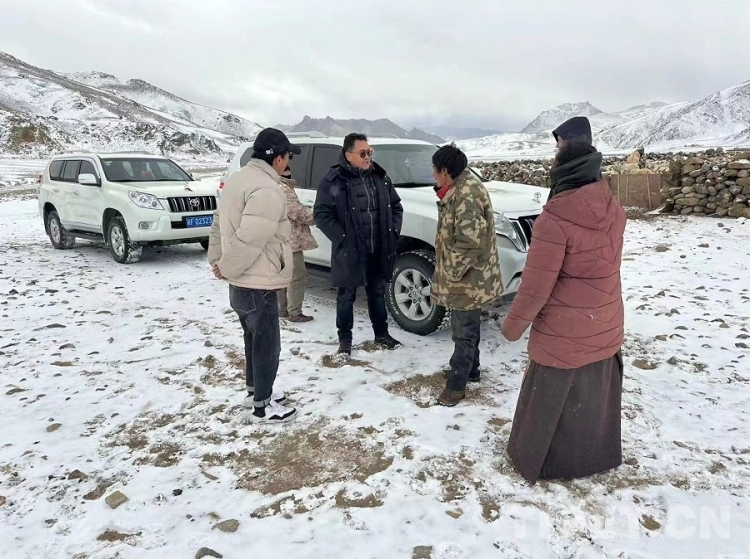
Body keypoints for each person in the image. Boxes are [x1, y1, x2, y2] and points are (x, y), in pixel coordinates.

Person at [501, 140, 627, 483]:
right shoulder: (614, 208)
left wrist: (512, 328)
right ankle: (596, 456)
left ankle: (544, 463)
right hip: (605, 319)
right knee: (593, 397)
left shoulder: (554, 219)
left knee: (550, 399)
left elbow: (535, 287)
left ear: (563, 170)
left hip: (563, 330)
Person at [207, 127, 301, 423]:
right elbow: (251, 238)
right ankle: (263, 406)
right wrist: (227, 266)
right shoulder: (267, 189)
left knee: (253, 341)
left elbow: (218, 222)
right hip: (258, 281)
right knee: (267, 345)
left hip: (242, 282)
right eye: (287, 157)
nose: (288, 163)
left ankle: (255, 392)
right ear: (278, 158)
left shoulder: (238, 179)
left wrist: (218, 260)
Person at [313, 133, 404, 356]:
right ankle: (345, 341)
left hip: (377, 249)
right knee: (346, 297)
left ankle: (381, 334)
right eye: (362, 153)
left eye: (369, 152)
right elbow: (321, 213)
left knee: (377, 294)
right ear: (348, 155)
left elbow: (396, 206)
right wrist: (343, 238)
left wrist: (392, 232)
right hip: (350, 251)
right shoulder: (333, 180)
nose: (367, 157)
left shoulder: (380, 177)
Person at [430, 144, 504, 407]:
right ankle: (471, 370)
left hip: (468, 279)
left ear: (445, 170)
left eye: (434, 169)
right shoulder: (461, 186)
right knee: (469, 327)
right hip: (471, 277)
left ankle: (456, 386)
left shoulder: (466, 194)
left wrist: (450, 272)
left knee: (463, 332)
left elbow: (470, 242)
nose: (432, 174)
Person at [277, 165, 318, 322]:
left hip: (279, 239)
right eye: (286, 169)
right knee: (297, 276)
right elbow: (298, 212)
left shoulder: (274, 185)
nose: (289, 171)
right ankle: (294, 313)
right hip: (290, 240)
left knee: (282, 274)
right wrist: (317, 216)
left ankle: (282, 309)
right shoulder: (283, 188)